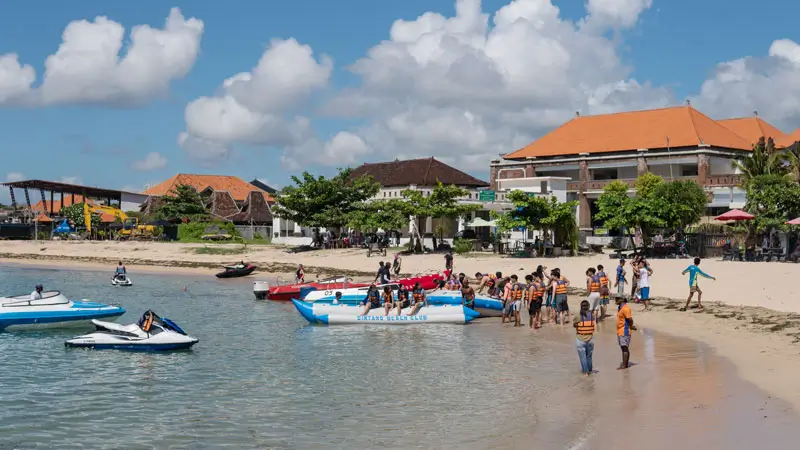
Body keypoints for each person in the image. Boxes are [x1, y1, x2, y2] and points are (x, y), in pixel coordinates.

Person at [574, 300, 595, 375]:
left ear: (581, 307)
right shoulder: (592, 315)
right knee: (589, 356)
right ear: (588, 306)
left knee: (583, 357)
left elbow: (574, 325)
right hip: (590, 338)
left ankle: (585, 373)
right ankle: (590, 371)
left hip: (580, 339)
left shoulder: (578, 316)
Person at [616, 295, 636, 370]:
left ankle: (625, 365)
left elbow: (630, 319)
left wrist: (631, 326)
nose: (615, 300)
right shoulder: (620, 307)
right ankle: (625, 364)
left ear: (622, 300)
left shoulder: (625, 309)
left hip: (625, 331)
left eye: (617, 298)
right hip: (620, 331)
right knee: (623, 347)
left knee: (625, 348)